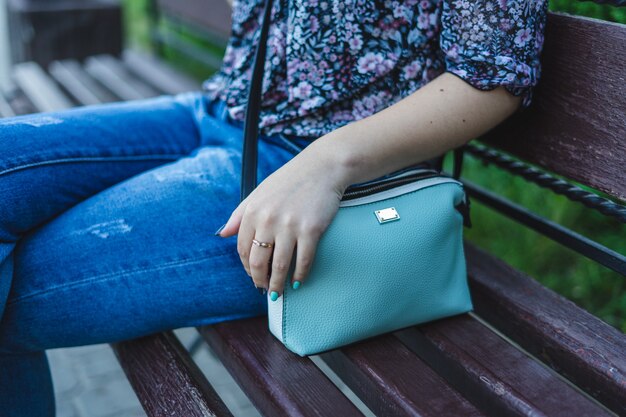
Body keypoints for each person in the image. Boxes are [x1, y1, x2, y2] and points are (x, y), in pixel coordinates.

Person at [0, 0, 549, 415]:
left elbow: (493, 76)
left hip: (320, 169)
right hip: (218, 109)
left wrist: (327, 163)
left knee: (12, 305)